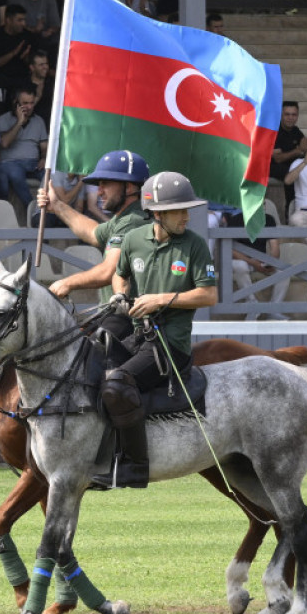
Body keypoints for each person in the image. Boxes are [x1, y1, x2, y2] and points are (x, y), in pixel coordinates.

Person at [97, 171, 217, 490]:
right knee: (92, 366)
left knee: (118, 383)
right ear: (157, 213)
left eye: (187, 209)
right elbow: (119, 275)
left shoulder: (194, 245)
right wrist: (121, 294)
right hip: (137, 336)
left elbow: (209, 294)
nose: (187, 216)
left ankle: (135, 466)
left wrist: (161, 300)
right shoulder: (135, 239)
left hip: (170, 345)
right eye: (180, 210)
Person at [36, 150, 151, 308]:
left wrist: (67, 283)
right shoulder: (124, 218)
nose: (99, 191)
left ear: (129, 187)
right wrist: (57, 206)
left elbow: (109, 271)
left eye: (106, 184)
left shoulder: (133, 221)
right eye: (99, 185)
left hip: (130, 321)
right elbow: (92, 232)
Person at [0, 86, 46, 207]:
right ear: (15, 103)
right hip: (10, 163)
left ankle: (51, 211)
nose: (29, 107)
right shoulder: (4, 119)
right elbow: (5, 143)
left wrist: (44, 158)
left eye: (32, 103)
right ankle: (32, 209)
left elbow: (44, 147)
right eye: (25, 103)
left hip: (33, 163)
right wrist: (19, 122)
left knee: (50, 175)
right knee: (15, 174)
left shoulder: (39, 121)